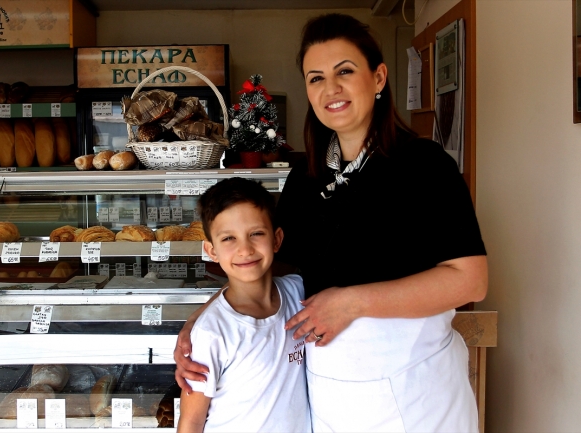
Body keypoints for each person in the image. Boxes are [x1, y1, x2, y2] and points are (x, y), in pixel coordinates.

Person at [175, 13, 487, 433]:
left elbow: (470, 281)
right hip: (330, 396)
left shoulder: (424, 165)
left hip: (417, 391)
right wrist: (201, 321)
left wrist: (353, 302)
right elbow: (267, 264)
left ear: (378, 78)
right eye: (316, 78)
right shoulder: (306, 177)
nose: (331, 89)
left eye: (345, 71)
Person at [176, 177, 311, 433]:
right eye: (228, 239)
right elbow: (191, 420)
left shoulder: (298, 293)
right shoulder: (211, 332)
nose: (245, 249)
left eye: (256, 233)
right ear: (211, 251)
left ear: (277, 239)